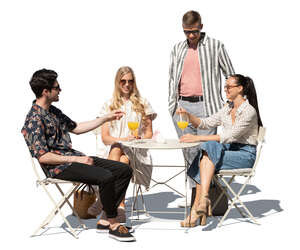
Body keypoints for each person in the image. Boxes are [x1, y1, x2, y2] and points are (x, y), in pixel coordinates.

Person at [21, 69, 136, 242]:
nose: (60, 90)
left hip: (74, 159)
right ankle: (113, 223)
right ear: (46, 91)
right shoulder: (33, 119)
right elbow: (43, 157)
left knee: (124, 170)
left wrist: (106, 118)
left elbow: (76, 128)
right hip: (58, 168)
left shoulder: (53, 111)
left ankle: (105, 219)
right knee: (106, 177)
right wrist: (77, 159)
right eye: (57, 87)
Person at [176, 74, 263, 227]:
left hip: (244, 155)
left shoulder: (249, 111)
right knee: (207, 153)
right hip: (228, 151)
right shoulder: (227, 108)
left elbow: (229, 136)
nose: (225, 90)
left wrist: (198, 139)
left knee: (206, 151)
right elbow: (205, 123)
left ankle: (196, 210)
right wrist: (187, 115)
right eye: (225, 87)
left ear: (240, 88)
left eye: (229, 87)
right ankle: (203, 200)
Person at [168, 10, 235, 207]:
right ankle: (192, 193)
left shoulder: (216, 46)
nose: (190, 36)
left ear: (201, 27)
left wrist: (229, 104)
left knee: (204, 149)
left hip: (208, 107)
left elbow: (230, 75)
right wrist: (172, 104)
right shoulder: (177, 48)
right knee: (188, 151)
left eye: (194, 31)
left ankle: (203, 196)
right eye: (187, 32)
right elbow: (172, 77)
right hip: (181, 107)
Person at [89, 66, 157, 221]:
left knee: (121, 153)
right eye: (123, 81)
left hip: (136, 151)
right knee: (121, 156)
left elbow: (149, 133)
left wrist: (140, 138)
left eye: (130, 81)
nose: (127, 85)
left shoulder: (142, 103)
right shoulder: (109, 105)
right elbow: (105, 138)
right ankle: (118, 207)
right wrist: (122, 141)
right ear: (117, 83)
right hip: (114, 152)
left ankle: (104, 202)